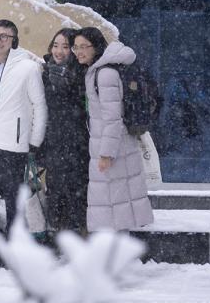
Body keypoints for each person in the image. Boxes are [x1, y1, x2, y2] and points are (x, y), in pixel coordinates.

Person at [73, 27, 154, 231]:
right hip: (115, 145)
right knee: (118, 207)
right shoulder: (99, 70)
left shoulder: (105, 74)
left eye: (84, 47)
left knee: (112, 207)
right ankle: (115, 256)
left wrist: (106, 154)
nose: (79, 51)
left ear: (96, 47)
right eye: (76, 47)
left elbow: (112, 118)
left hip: (112, 149)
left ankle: (113, 258)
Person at [0, 19, 46, 235]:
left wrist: (35, 141)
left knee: (15, 201)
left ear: (14, 40)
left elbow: (39, 106)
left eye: (4, 36)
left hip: (14, 146)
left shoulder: (28, 68)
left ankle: (14, 247)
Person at [40, 28, 89, 234]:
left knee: (77, 193)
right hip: (53, 144)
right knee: (55, 191)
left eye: (66, 47)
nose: (59, 51)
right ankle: (59, 238)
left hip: (78, 145)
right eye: (56, 45)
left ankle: (79, 237)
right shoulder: (44, 73)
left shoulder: (82, 74)